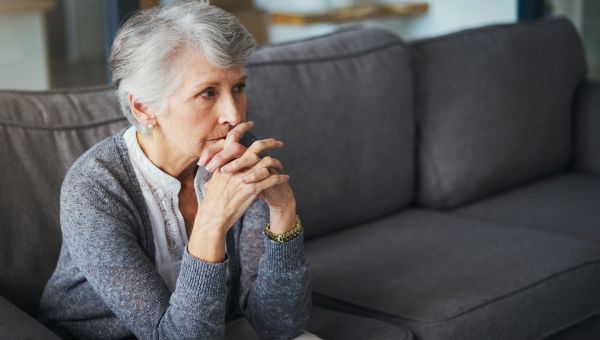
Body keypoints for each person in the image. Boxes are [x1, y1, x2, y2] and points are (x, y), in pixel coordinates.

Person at [38, 2, 313, 339]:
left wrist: (283, 213)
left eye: (238, 87)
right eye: (208, 93)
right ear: (145, 108)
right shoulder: (94, 189)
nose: (234, 115)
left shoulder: (238, 154)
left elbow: (280, 325)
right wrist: (211, 222)